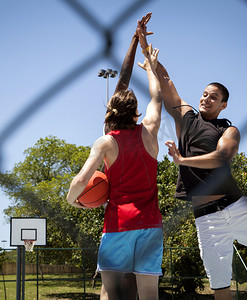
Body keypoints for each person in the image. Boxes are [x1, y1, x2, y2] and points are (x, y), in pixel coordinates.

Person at [136, 37, 247, 298]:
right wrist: (149, 55)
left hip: (236, 207)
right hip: (206, 220)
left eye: (214, 97)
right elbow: (167, 82)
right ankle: (239, 241)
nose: (207, 99)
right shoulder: (186, 118)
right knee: (219, 285)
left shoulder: (228, 130)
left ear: (223, 105)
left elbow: (221, 157)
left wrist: (183, 161)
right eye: (205, 94)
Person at [66, 20, 163, 300]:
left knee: (110, 292)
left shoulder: (106, 142)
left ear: (111, 113)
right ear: (136, 113)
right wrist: (150, 64)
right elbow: (156, 97)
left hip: (118, 224)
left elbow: (82, 179)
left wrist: (73, 200)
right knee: (149, 294)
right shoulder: (150, 131)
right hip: (150, 224)